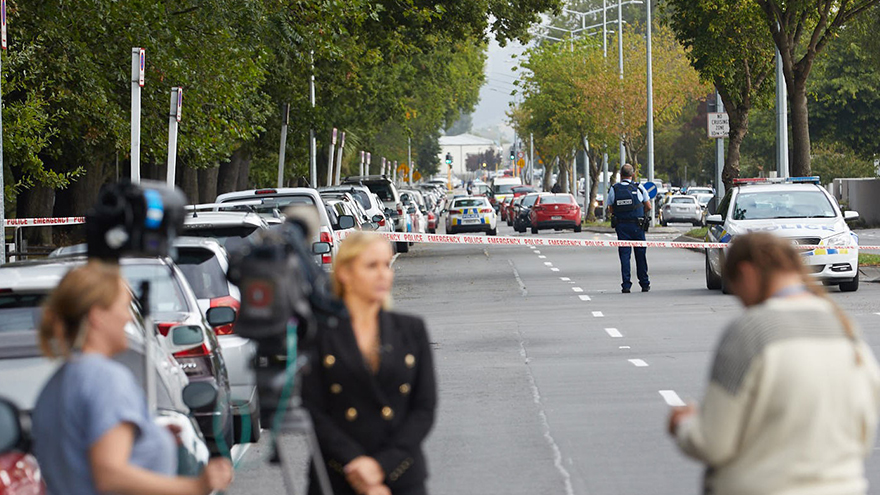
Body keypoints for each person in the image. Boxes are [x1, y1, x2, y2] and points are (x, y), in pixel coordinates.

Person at [668, 232, 880, 495]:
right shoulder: (845, 330)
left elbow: (713, 443)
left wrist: (684, 425)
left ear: (745, 273)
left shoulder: (751, 333)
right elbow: (863, 432)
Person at [31, 261, 234, 495]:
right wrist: (195, 487)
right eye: (124, 307)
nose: (128, 318)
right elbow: (109, 474)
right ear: (98, 316)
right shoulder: (106, 379)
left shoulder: (56, 382)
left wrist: (149, 436)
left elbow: (82, 451)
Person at [303, 231, 437, 495]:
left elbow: (424, 408)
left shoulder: (411, 330)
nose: (383, 274)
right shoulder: (319, 334)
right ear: (345, 273)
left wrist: (380, 467)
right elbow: (313, 410)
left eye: (386, 265)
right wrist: (357, 465)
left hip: (402, 476)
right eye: (371, 266)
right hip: (338, 476)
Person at [606, 164, 651, 293]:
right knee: (640, 255)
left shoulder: (614, 189)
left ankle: (626, 285)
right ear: (632, 175)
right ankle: (644, 283)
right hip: (637, 226)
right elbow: (648, 206)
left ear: (621, 175)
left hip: (622, 227)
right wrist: (640, 213)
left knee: (625, 256)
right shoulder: (639, 187)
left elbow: (610, 208)